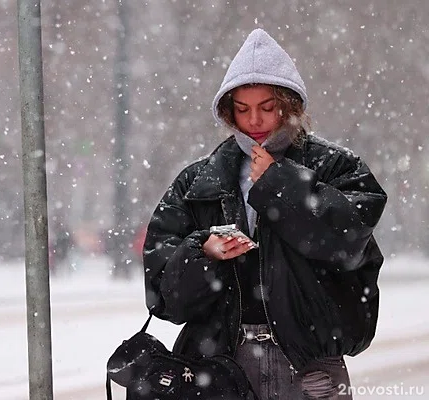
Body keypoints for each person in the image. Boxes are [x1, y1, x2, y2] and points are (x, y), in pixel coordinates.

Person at [142, 29, 387, 399]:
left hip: (312, 368)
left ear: (289, 105)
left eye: (267, 107)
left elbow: (349, 240)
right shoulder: (198, 180)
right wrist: (203, 251)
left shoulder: (337, 167)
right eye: (242, 109)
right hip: (218, 370)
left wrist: (279, 183)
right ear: (228, 111)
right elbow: (163, 296)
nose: (254, 120)